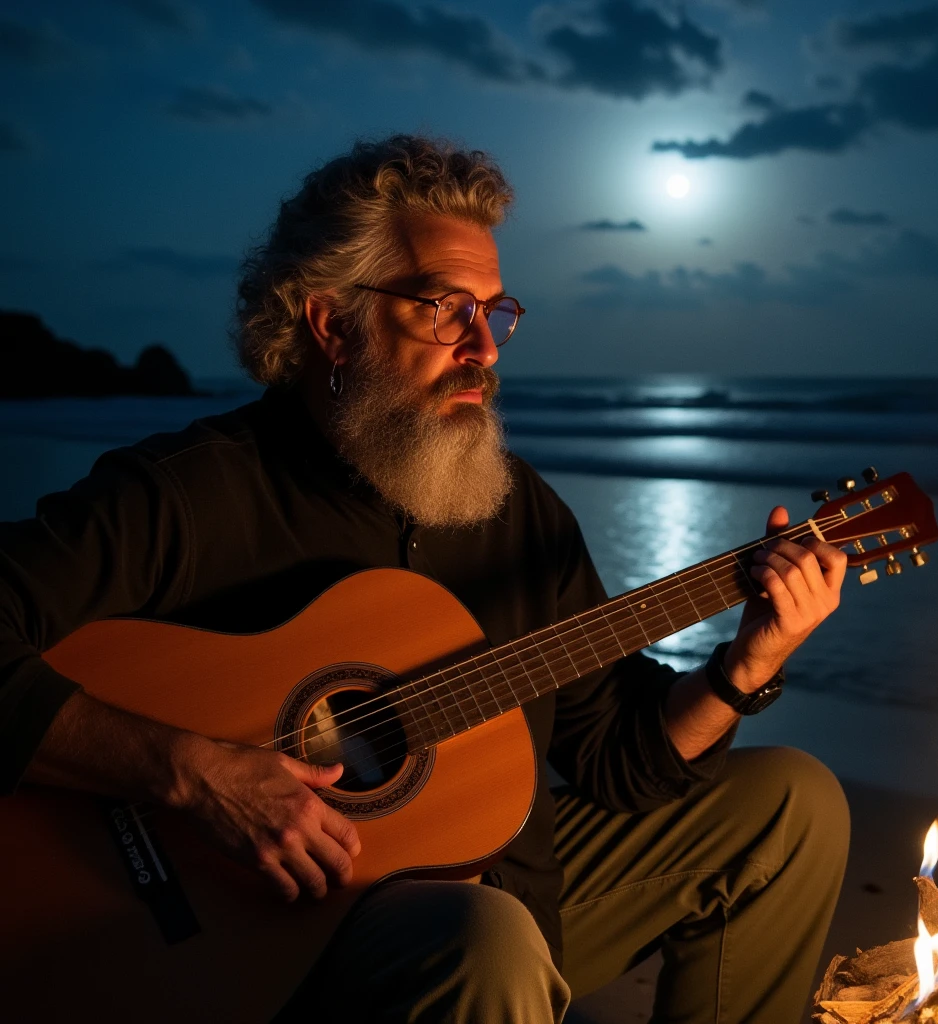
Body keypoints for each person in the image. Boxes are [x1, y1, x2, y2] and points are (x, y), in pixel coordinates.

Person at [0, 135, 850, 1023]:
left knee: (789, 805)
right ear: (333, 323)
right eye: (445, 310)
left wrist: (743, 668)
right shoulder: (190, 492)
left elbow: (613, 756)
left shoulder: (521, 515)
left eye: (495, 311)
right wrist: (191, 772)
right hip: (258, 946)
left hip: (514, 910)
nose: (483, 347)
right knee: (487, 936)